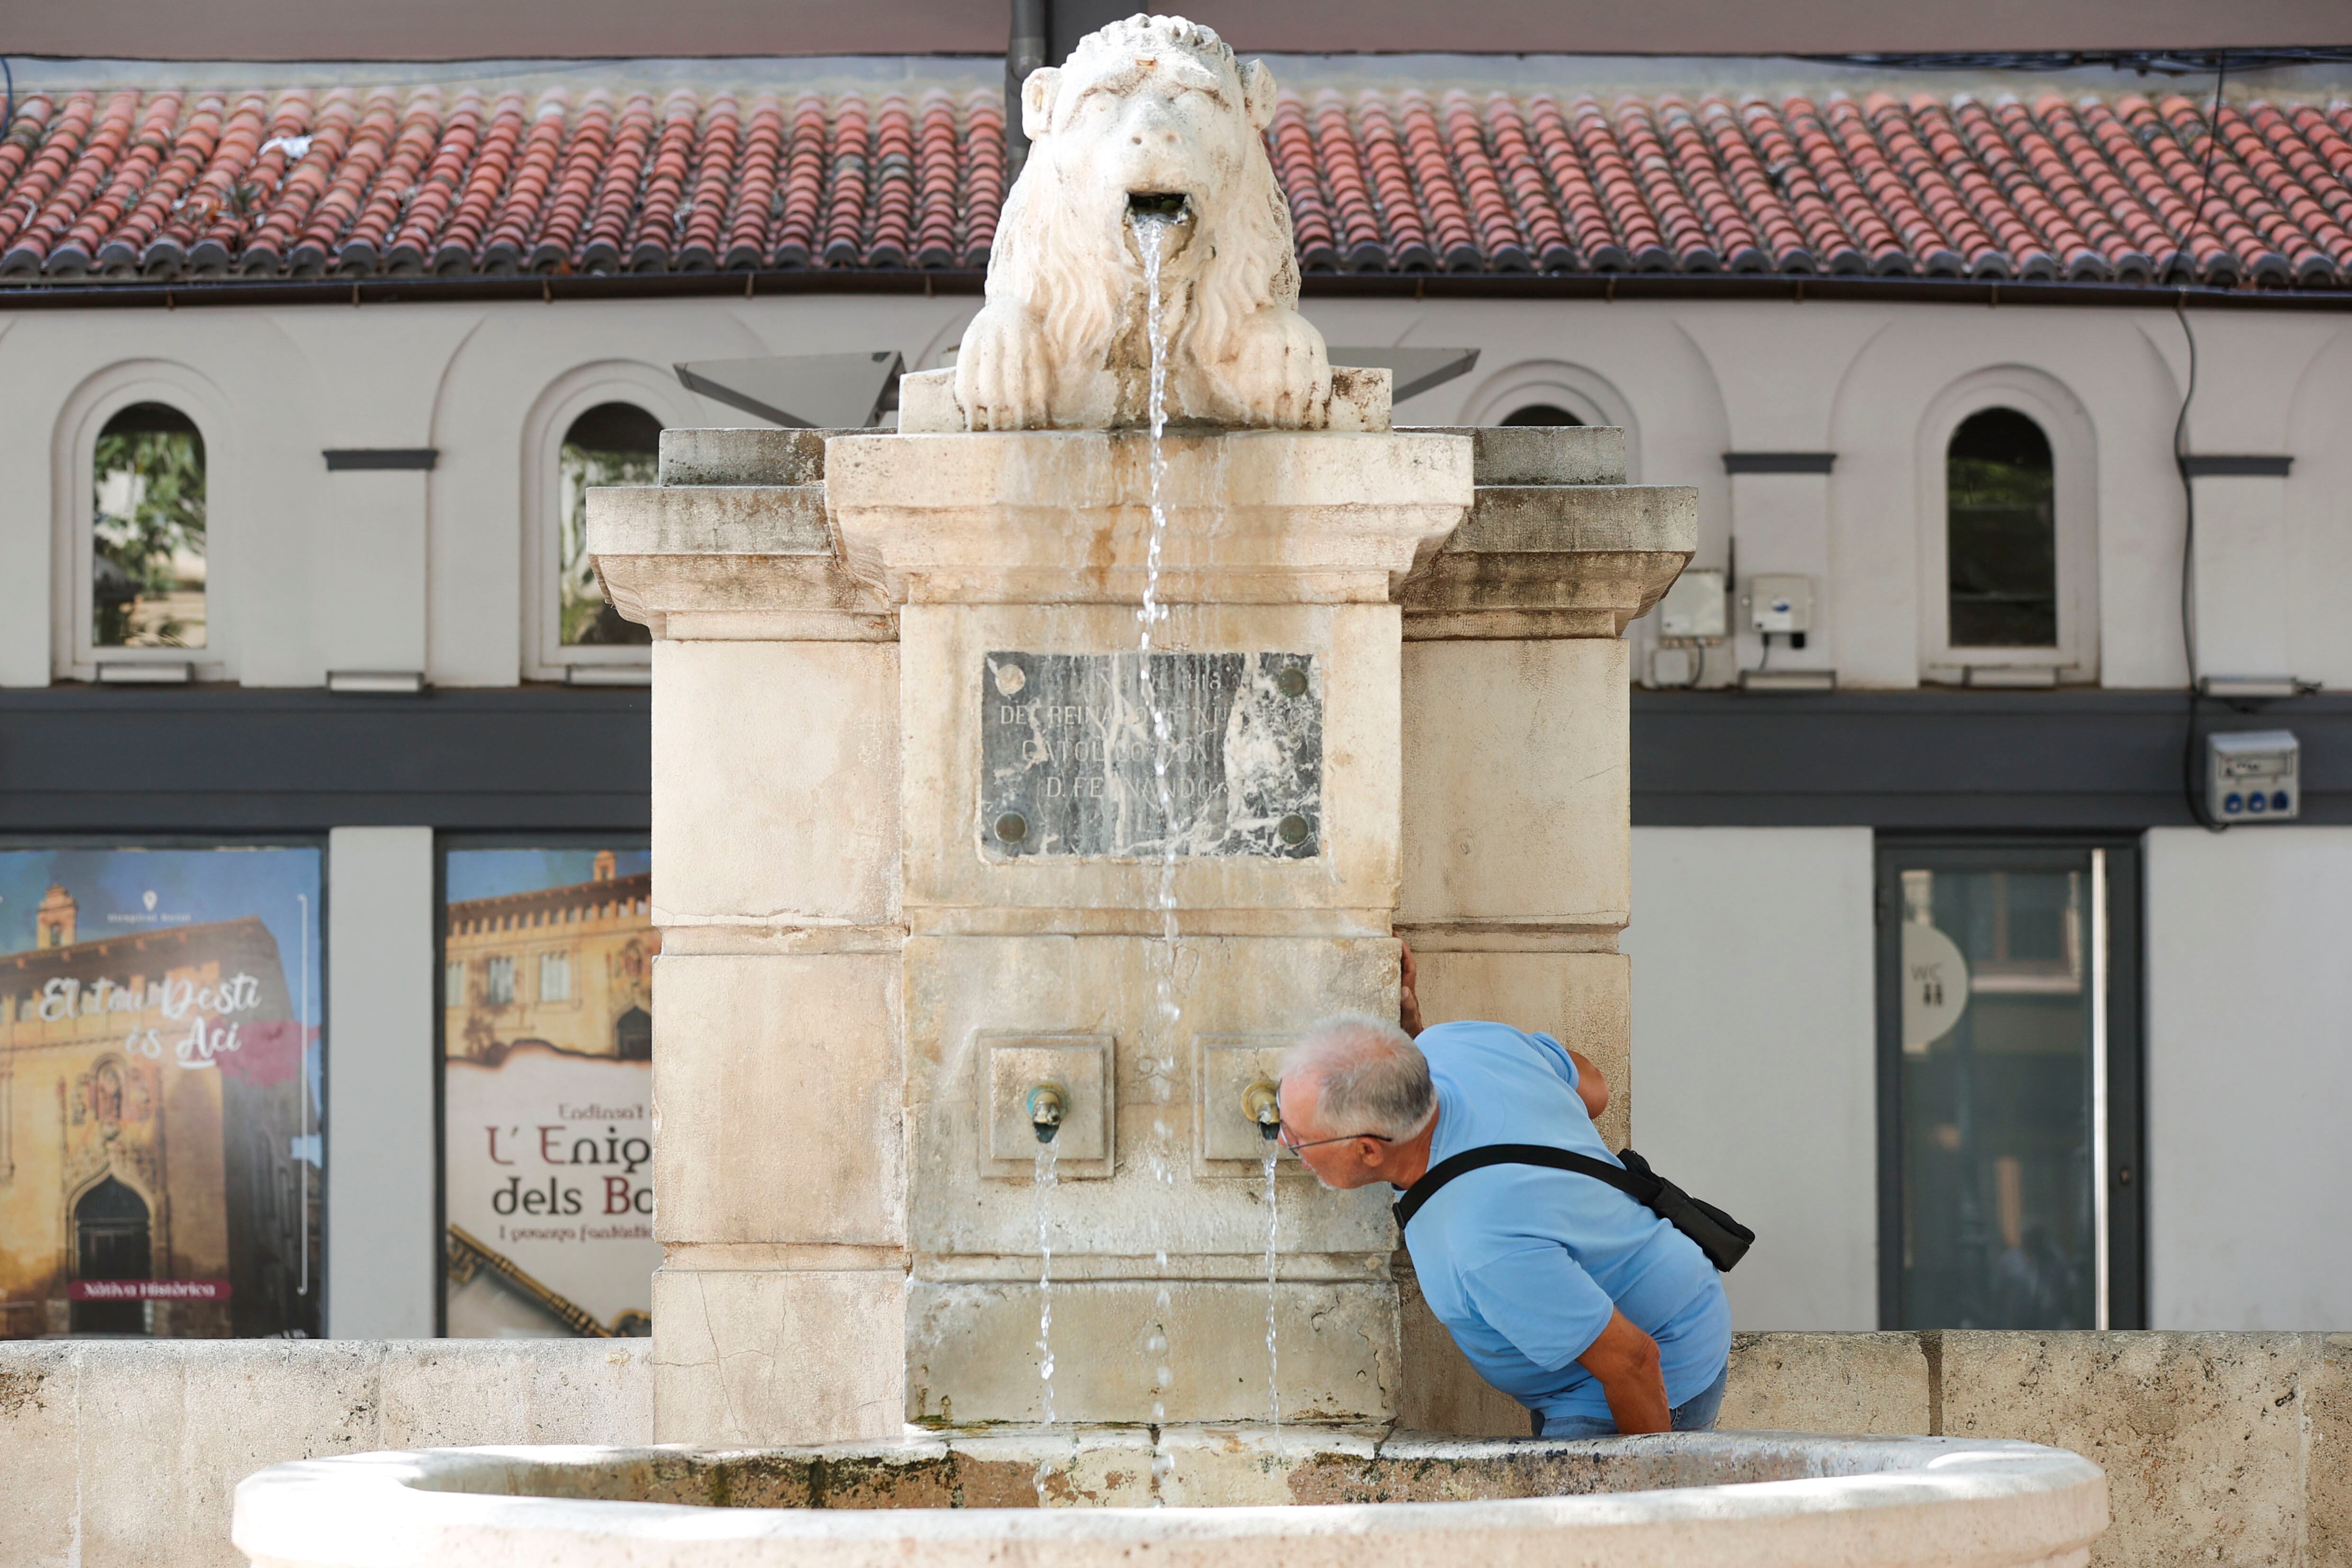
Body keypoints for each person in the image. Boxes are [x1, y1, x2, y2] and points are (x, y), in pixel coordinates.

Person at [1275, 945, 1731, 1438]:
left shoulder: (1480, 1241)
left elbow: (1633, 1361)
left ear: (1368, 1150)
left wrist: (1642, 1504)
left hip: (1643, 1375)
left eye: (1299, 1137)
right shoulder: (1456, 1045)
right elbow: (1594, 1091)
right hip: (1649, 1309)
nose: (1283, 1139)